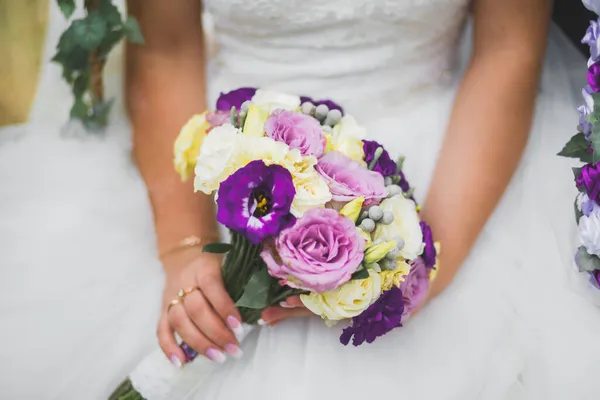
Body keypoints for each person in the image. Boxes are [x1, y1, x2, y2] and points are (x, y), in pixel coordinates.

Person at [2, 0, 600, 399]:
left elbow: (507, 51)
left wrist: (423, 257)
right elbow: (165, 47)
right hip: (214, 152)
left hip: (447, 164)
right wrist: (184, 250)